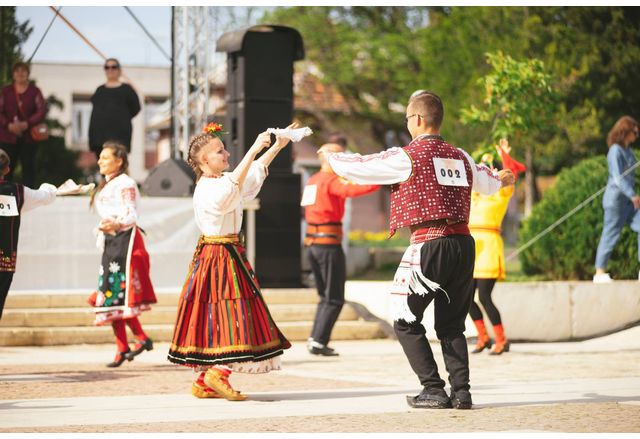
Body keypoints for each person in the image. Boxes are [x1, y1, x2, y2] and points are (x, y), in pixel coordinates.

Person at [327, 90, 514, 410]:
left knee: (405, 319)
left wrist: (330, 155)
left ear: (416, 120)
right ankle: (462, 392)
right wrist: (504, 177)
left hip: (429, 244)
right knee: (452, 325)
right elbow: (492, 182)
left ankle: (433, 388)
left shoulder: (407, 156)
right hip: (465, 245)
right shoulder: (462, 156)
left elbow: (358, 166)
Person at [168, 122, 295, 401]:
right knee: (232, 315)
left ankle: (205, 379)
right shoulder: (208, 188)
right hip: (218, 256)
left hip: (227, 254)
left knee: (226, 316)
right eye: (220, 152)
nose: (226, 155)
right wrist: (253, 148)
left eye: (224, 150)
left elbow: (247, 179)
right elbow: (233, 187)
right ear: (204, 161)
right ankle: (218, 373)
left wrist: (275, 147)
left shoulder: (221, 182)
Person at [302, 141, 380, 356]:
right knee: (334, 297)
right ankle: (318, 340)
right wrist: (379, 180)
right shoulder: (329, 180)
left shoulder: (313, 180)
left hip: (313, 244)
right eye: (340, 156)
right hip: (327, 244)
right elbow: (352, 190)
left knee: (326, 296)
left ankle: (316, 339)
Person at [88, 141, 156, 368]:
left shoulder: (126, 183)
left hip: (124, 242)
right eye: (100, 157)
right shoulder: (108, 184)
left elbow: (131, 214)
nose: (100, 161)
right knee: (111, 295)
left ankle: (134, 341)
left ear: (119, 161)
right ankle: (128, 345)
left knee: (115, 294)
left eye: (105, 157)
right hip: (112, 242)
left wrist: (114, 224)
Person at [468, 138, 525, 356]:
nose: (489, 171)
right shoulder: (474, 193)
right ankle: (483, 337)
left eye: (492, 169)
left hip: (488, 247)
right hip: (472, 247)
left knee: (484, 297)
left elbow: (511, 174)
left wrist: (503, 154)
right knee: (465, 299)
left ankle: (501, 339)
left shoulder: (500, 194)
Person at [0, 149, 56, 319]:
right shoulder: (17, 192)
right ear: (7, 169)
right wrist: (48, 187)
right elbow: (47, 196)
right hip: (4, 261)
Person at [593, 116, 640, 283]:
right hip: (615, 202)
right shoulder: (615, 150)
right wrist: (633, 195)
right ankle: (599, 272)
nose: (637, 135)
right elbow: (618, 178)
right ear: (625, 131)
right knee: (611, 233)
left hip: (628, 203)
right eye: (635, 132)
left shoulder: (628, 151)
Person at [0, 61, 48, 187]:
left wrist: (27, 123)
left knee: (29, 168)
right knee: (5, 168)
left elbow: (41, 110)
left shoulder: (35, 91)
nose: (20, 73)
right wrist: (8, 125)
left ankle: (28, 196)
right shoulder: (6, 91)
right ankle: (5, 196)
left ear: (28, 74)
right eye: (17, 71)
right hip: (7, 137)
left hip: (29, 138)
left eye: (23, 71)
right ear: (13, 74)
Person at [88, 58, 140, 159]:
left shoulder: (127, 90)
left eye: (113, 67)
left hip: (120, 138)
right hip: (100, 139)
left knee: (118, 167)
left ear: (119, 71)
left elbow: (135, 108)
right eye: (107, 67)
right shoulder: (99, 91)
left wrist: (121, 119)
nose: (110, 70)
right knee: (104, 167)